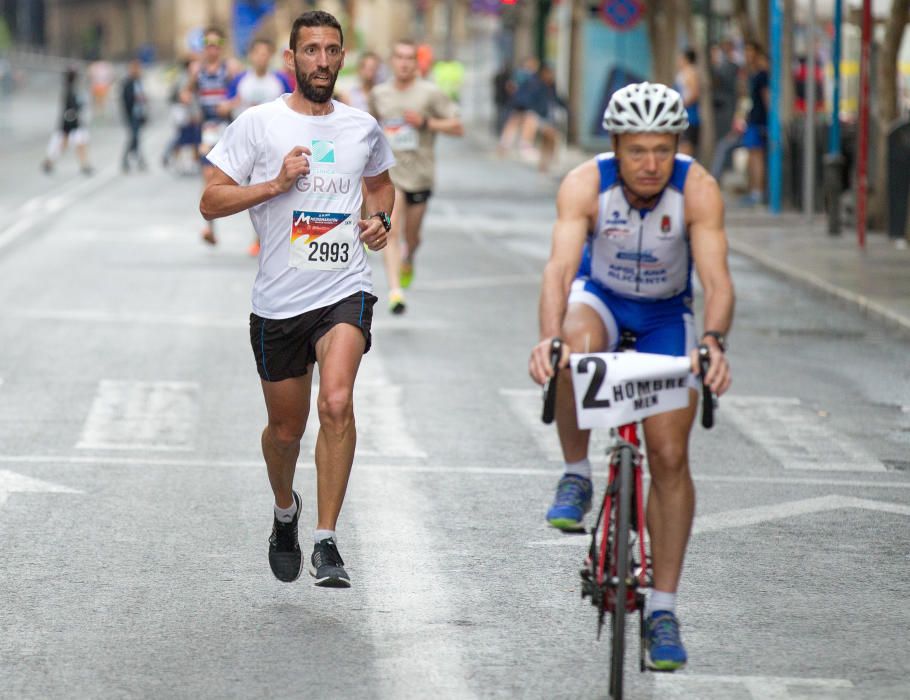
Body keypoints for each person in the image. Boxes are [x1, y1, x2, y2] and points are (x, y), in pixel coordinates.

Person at [528, 82, 734, 671]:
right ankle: (575, 474)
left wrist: (715, 343)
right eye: (638, 149)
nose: (650, 163)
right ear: (615, 145)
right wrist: (548, 339)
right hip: (603, 301)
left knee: (669, 456)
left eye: (663, 150)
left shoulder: (698, 189)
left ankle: (664, 610)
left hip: (668, 316)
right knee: (573, 347)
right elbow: (559, 269)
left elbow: (717, 281)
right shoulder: (584, 184)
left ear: (677, 148)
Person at [200, 10, 395, 588]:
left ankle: (327, 540)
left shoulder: (361, 126)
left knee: (336, 402)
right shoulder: (258, 124)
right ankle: (286, 511)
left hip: (344, 290)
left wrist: (380, 218)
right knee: (286, 432)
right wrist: (273, 186)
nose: (323, 61)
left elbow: (381, 182)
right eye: (310, 50)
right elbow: (210, 201)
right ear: (291, 59)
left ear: (343, 56)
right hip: (279, 302)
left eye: (332, 50)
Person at [369, 39, 464, 313]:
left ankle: (409, 256)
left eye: (410, 58)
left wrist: (426, 123)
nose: (404, 63)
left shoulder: (430, 94)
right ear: (392, 60)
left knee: (412, 236)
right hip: (392, 174)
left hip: (420, 176)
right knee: (392, 229)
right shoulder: (380, 93)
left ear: (417, 63)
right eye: (399, 57)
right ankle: (395, 291)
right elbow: (369, 125)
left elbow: (458, 126)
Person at [227, 37, 293, 255]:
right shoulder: (240, 80)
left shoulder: (280, 80)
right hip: (246, 145)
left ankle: (264, 238)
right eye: (258, 53)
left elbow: (293, 107)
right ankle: (259, 235)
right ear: (251, 56)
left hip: (273, 145)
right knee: (252, 192)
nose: (262, 57)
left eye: (266, 53)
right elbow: (226, 106)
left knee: (272, 192)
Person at [186, 27, 237, 245]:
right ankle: (210, 228)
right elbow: (188, 91)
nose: (212, 49)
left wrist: (230, 104)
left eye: (216, 44)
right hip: (207, 129)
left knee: (239, 179)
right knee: (207, 176)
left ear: (221, 47)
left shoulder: (231, 68)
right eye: (208, 44)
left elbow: (239, 93)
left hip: (228, 129)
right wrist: (187, 98)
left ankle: (259, 235)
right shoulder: (197, 69)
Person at [41, 67, 93, 175]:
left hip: (71, 123)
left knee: (79, 144)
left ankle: (84, 165)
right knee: (65, 144)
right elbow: (71, 109)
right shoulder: (70, 91)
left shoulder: (71, 89)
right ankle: (49, 162)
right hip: (70, 123)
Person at [709, 39, 742, 180]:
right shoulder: (722, 66)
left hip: (726, 109)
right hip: (721, 110)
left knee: (724, 143)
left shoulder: (729, 67)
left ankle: (718, 173)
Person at [742, 41, 769, 206]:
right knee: (752, 156)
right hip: (753, 119)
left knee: (757, 156)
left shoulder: (762, 75)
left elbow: (767, 98)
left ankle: (758, 191)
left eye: (750, 52)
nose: (747, 56)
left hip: (760, 120)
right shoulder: (752, 74)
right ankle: (753, 190)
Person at [121, 59, 148, 173]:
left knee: (136, 138)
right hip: (132, 114)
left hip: (139, 113)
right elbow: (126, 100)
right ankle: (130, 160)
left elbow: (143, 97)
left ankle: (135, 160)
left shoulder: (139, 82)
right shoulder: (128, 83)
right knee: (134, 137)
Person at [674, 48, 700, 156]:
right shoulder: (684, 72)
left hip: (689, 115)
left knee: (686, 145)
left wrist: (680, 105)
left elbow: (694, 93)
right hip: (684, 114)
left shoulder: (690, 73)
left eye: (680, 58)